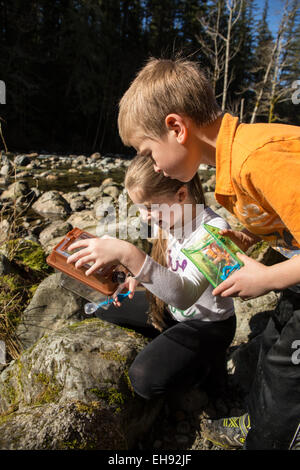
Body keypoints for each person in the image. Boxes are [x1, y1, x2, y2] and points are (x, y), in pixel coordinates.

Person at [116, 57, 300, 450]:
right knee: (272, 347)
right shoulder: (232, 165)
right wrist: (248, 236)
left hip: (289, 275)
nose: (154, 166)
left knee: (288, 374)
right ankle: (257, 419)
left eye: (148, 152)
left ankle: (270, 440)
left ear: (176, 127)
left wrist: (267, 278)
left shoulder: (257, 158)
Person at [67, 154, 236, 404]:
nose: (144, 216)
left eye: (148, 207)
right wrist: (139, 274)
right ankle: (172, 346)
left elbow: (183, 294)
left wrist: (128, 253)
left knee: (144, 379)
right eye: (139, 208)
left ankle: (205, 368)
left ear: (180, 196)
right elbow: (163, 264)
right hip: (170, 309)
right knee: (103, 308)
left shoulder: (214, 230)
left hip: (208, 324)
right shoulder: (168, 217)